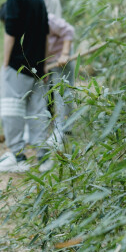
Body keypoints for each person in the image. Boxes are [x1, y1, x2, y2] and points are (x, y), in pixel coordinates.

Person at [0, 0, 50, 173]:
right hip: (37, 66)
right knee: (37, 110)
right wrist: (43, 67)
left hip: (17, 66)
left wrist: (6, 63)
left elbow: (11, 32)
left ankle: (17, 156)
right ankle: (44, 158)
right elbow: (45, 33)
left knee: (11, 111)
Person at [45, 11, 76, 151]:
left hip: (61, 60)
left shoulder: (48, 19)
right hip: (49, 62)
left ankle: (60, 133)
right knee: (51, 94)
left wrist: (64, 54)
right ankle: (62, 129)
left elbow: (68, 31)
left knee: (62, 94)